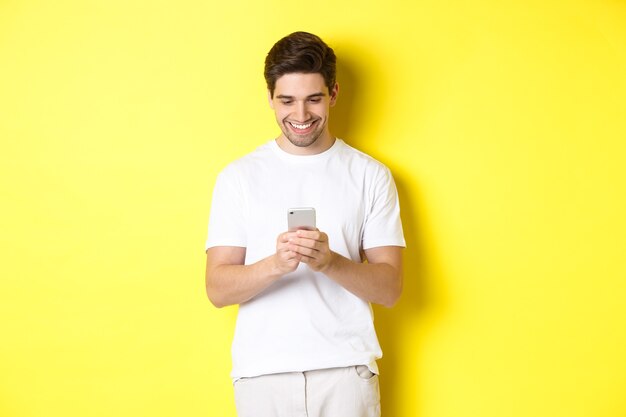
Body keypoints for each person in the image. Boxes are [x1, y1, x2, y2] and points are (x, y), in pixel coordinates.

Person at [205, 31, 405, 417]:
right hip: (262, 376)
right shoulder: (239, 177)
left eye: (313, 99)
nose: (300, 115)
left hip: (346, 373)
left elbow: (391, 288)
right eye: (287, 100)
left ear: (333, 94)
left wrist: (329, 261)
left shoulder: (370, 175)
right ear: (269, 99)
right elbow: (217, 289)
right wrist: (276, 264)